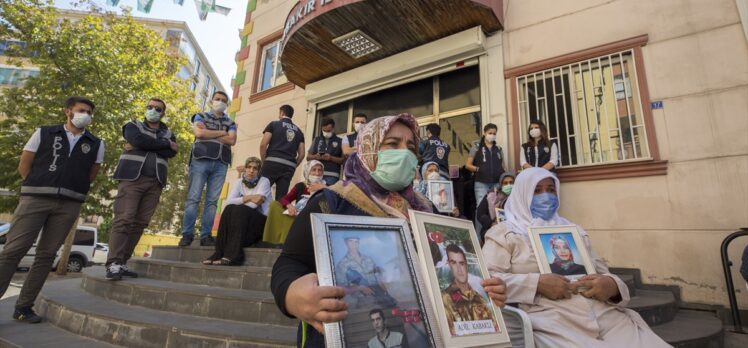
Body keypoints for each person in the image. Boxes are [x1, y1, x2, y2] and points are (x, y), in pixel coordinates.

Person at [270, 114, 507, 347]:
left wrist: (487, 291)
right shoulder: (332, 201)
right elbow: (290, 262)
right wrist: (291, 296)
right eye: (393, 144)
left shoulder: (427, 209)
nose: (404, 152)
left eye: (411, 147)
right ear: (367, 148)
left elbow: (443, 269)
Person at [482, 167, 670, 347]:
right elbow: (485, 280)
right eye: (537, 191)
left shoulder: (573, 231)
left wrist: (611, 286)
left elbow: (604, 273)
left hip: (606, 316)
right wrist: (537, 284)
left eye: (551, 190)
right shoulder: (504, 234)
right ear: (523, 194)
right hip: (552, 320)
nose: (545, 196)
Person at [0, 96, 104, 323]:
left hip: (69, 204)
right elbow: (25, 163)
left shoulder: (96, 143)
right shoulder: (44, 133)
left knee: (46, 256)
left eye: (89, 112)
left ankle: (24, 307)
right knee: (13, 251)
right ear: (68, 111)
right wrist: (36, 184)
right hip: (34, 199)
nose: (85, 114)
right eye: (81, 110)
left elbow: (92, 174)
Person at [106, 98, 178, 280]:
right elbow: (138, 140)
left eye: (158, 108)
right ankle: (113, 263)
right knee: (124, 220)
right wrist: (163, 144)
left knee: (140, 223)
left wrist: (145, 144)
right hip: (132, 179)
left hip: (155, 182)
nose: (153, 110)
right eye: (150, 107)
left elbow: (172, 152)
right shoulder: (132, 125)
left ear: (163, 113)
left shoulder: (169, 132)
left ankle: (122, 262)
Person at [179, 91, 237, 247]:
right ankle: (187, 234)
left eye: (224, 100)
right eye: (217, 99)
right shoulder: (200, 116)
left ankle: (206, 235)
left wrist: (208, 133)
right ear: (212, 101)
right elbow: (199, 133)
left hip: (220, 163)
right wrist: (220, 133)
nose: (220, 102)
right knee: (193, 198)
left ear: (227, 104)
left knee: (212, 202)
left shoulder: (230, 122)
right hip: (200, 161)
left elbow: (231, 140)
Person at [203, 157, 271, 266]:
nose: (251, 170)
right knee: (229, 209)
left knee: (239, 210)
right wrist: (248, 197)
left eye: (255, 168)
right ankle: (218, 253)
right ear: (245, 168)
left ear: (259, 171)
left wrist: (240, 201)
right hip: (243, 222)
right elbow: (229, 202)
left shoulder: (264, 181)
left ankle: (233, 256)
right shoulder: (239, 182)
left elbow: (255, 204)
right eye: (249, 167)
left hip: (259, 223)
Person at [262, 160, 326, 246]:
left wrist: (324, 188)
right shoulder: (301, 186)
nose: (317, 173)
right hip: (297, 214)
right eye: (313, 170)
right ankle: (274, 241)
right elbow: (284, 199)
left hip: (315, 217)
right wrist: (289, 206)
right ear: (307, 171)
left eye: (319, 170)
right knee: (274, 204)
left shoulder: (327, 187)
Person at [441, 244, 495, 336]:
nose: (459, 269)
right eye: (454, 263)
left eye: (461, 263)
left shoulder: (479, 297)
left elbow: (494, 328)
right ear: (449, 265)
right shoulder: (445, 298)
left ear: (467, 265)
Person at [334, 235, 396, 309]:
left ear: (359, 242)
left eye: (356, 241)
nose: (354, 244)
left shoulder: (368, 259)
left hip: (379, 294)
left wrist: (385, 290)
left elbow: (378, 278)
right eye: (351, 241)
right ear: (346, 243)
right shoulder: (342, 265)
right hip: (363, 301)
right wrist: (360, 288)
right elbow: (341, 289)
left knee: (393, 306)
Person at [260, 104, 306, 200]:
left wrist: (264, 160)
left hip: (272, 162)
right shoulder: (299, 131)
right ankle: (277, 214)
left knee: (260, 193)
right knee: (281, 198)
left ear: (282, 113)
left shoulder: (273, 124)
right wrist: (294, 165)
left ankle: (259, 215)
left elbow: (263, 145)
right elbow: (302, 154)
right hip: (289, 167)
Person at [476, 173, 515, 242]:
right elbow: (480, 214)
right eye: (505, 183)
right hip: (492, 227)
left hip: (514, 229)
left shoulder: (520, 197)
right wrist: (491, 224)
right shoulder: (491, 196)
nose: (508, 185)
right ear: (501, 185)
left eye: (511, 182)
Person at [307, 118, 344, 185]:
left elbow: (343, 160)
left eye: (328, 131)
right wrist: (316, 156)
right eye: (324, 130)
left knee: (327, 194)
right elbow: (308, 157)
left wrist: (331, 158)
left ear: (333, 129)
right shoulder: (316, 140)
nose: (326, 133)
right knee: (314, 193)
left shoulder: (340, 141)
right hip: (315, 175)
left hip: (332, 175)